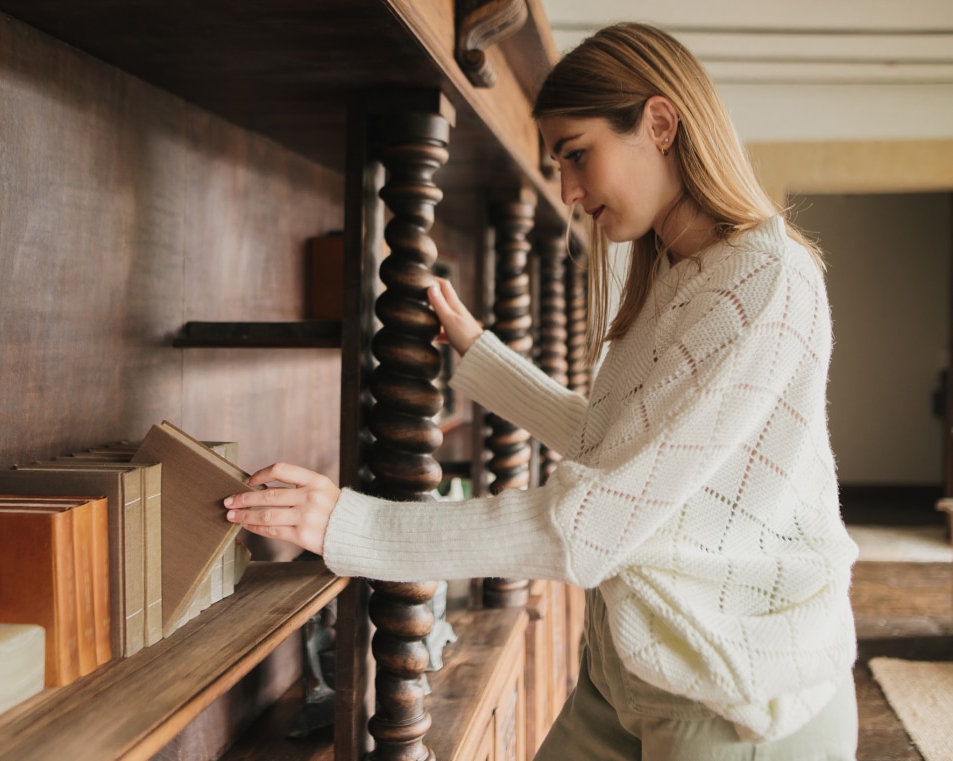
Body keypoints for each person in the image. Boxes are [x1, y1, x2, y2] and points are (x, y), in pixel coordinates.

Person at [224, 22, 859, 761]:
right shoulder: (678, 275)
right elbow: (617, 446)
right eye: (558, 162)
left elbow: (588, 523)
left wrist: (352, 527)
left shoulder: (763, 280)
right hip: (632, 671)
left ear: (659, 124)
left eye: (577, 153)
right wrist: (482, 357)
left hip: (735, 697)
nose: (568, 189)